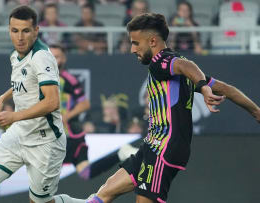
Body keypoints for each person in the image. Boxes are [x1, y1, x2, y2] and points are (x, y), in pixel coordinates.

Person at [54, 13, 260, 203]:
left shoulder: (161, 61)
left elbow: (183, 66)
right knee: (106, 192)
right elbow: (228, 89)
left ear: (153, 41)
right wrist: (256, 112)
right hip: (152, 145)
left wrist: (203, 87)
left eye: (135, 43)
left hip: (165, 147)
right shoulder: (181, 69)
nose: (132, 49)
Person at [0, 6, 67, 203]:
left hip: (45, 142)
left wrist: (13, 116)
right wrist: (2, 98)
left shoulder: (42, 57)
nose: (20, 37)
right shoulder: (15, 54)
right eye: (15, 31)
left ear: (36, 31)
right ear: (9, 31)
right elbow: (24, 84)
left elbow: (52, 102)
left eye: (25, 31)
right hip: (19, 134)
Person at [50, 44, 137, 181]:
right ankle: (120, 154)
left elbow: (85, 104)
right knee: (81, 173)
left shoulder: (68, 80)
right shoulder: (41, 80)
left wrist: (66, 116)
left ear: (63, 59)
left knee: (56, 174)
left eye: (57, 57)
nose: (54, 60)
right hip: (50, 135)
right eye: (50, 57)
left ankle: (120, 154)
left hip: (69, 134)